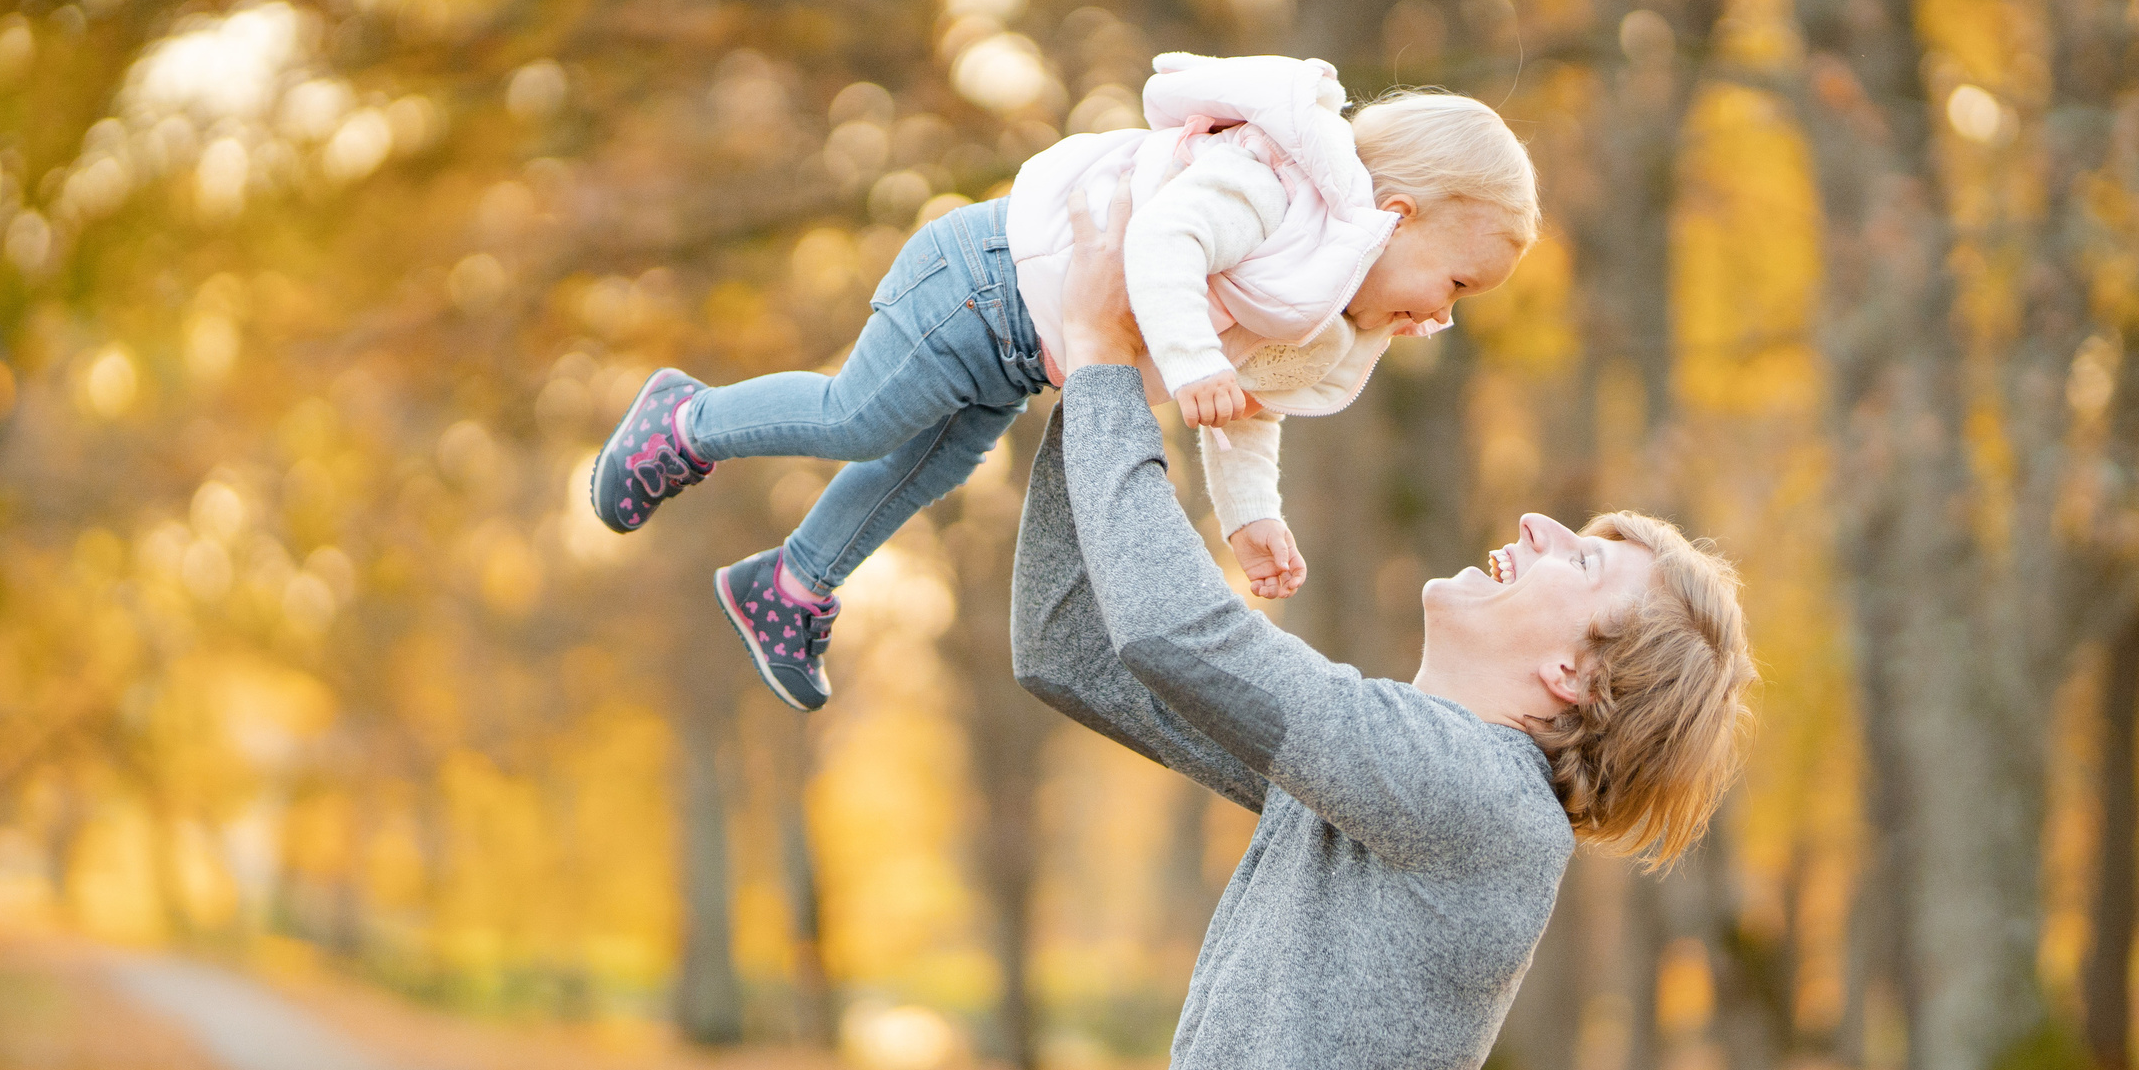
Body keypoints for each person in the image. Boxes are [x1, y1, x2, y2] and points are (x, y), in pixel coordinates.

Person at [1015, 185, 1755, 1070]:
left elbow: (1175, 628)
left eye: (1585, 563)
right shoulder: (1379, 779)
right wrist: (1085, 365)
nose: (1537, 528)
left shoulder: (1469, 798)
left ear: (1575, 677)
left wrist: (1113, 355)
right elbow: (1069, 640)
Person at [585, 52, 1537, 712]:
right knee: (861, 416)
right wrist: (1194, 361)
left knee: (929, 466)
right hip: (985, 278)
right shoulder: (1273, 192)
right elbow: (1165, 240)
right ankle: (685, 420)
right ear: (1398, 215)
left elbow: (1248, 408)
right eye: (1455, 284)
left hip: (1019, 349)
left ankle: (791, 584)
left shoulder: (1320, 309)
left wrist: (1250, 516)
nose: (1443, 318)